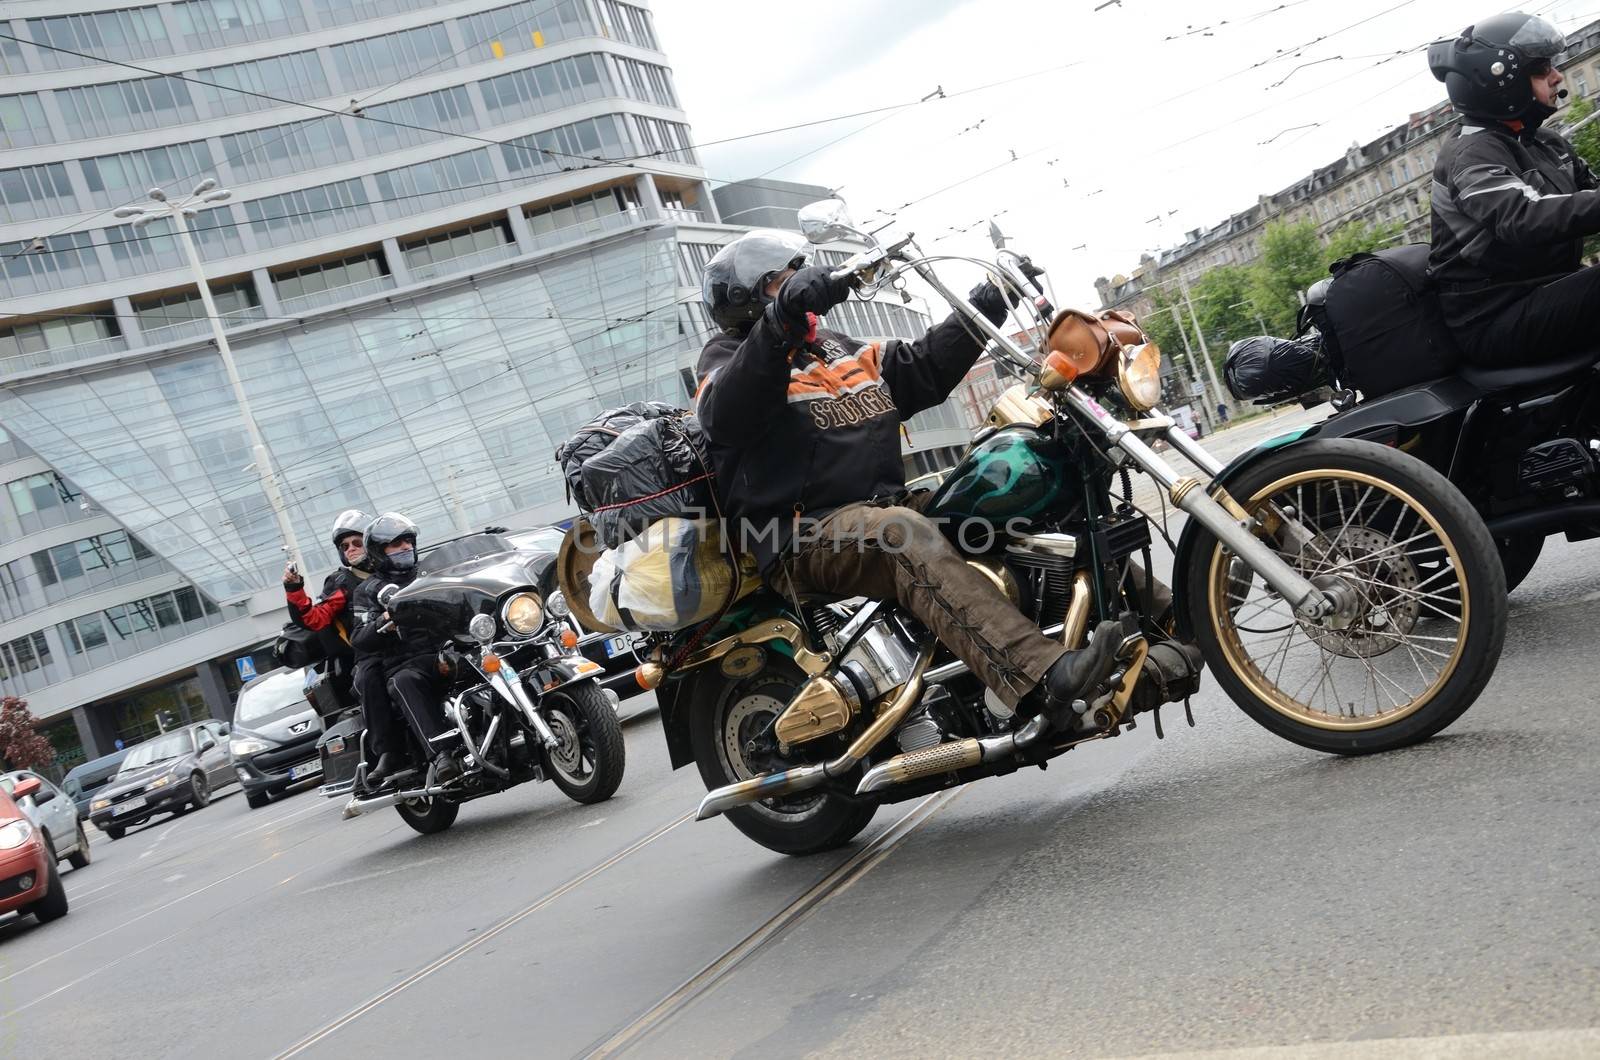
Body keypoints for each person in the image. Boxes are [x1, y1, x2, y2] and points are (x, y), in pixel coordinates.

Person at [695, 229, 1160, 733]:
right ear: (750, 298)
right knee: (899, 531)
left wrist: (989, 300)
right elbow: (727, 415)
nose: (804, 287)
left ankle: (1166, 618)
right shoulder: (728, 361)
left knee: (1010, 490)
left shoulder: (840, 350)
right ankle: (1042, 673)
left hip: (881, 507)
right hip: (802, 536)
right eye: (786, 282)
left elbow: (926, 368)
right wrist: (779, 323)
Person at [1428, 12, 1600, 364]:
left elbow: (1590, 196)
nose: (1557, 76)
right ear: (1500, 83)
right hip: (1495, 316)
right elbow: (1524, 217)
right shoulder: (1470, 153)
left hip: (1546, 289)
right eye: (1540, 70)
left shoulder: (1545, 143)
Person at [350, 513, 463, 786]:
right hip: (407, 662)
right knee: (404, 682)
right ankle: (442, 755)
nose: (405, 548)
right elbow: (359, 636)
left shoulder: (431, 572)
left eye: (408, 542)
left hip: (446, 651)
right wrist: (382, 622)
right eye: (396, 543)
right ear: (379, 552)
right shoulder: (367, 591)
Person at [283, 509, 371, 705]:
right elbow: (313, 618)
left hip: (413, 645)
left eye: (357, 543)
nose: (351, 549)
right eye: (344, 546)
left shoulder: (395, 568)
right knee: (372, 685)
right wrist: (294, 588)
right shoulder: (343, 583)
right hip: (369, 655)